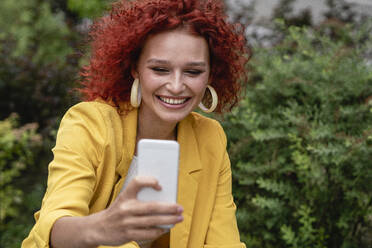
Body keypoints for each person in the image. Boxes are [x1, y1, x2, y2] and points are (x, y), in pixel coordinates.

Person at [22, 0, 250, 247]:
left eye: (193, 72)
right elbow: (54, 229)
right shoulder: (89, 123)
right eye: (160, 69)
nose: (175, 86)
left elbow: (224, 241)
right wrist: (104, 227)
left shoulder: (210, 137)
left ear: (210, 75)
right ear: (135, 68)